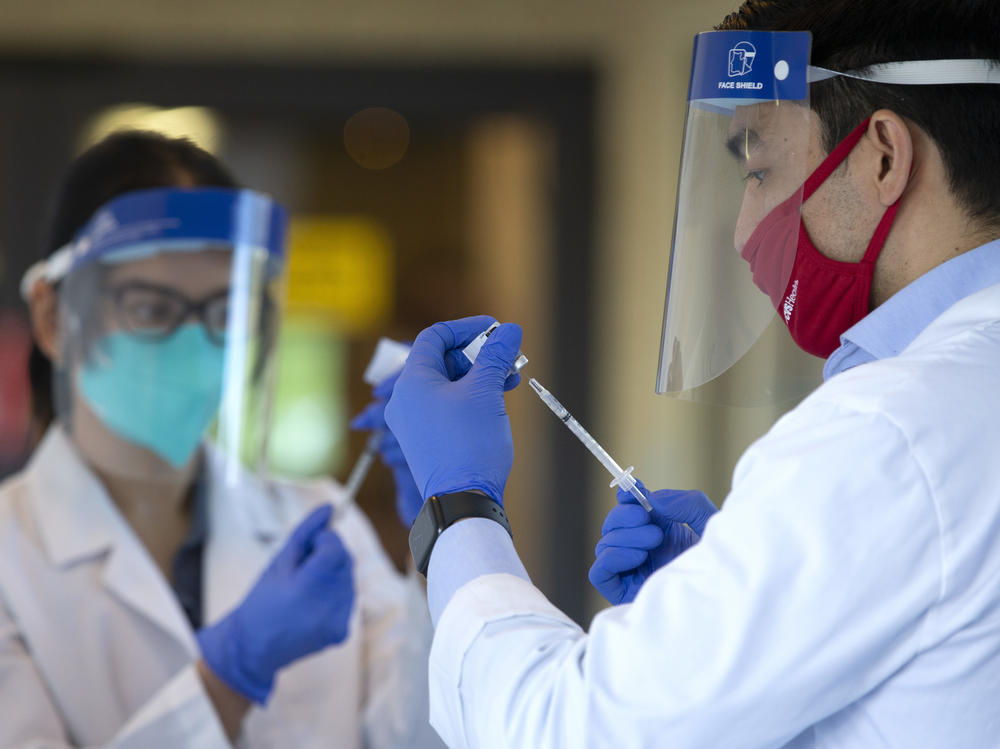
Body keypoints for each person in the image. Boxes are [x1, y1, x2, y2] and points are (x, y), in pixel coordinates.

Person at [379, 1, 1000, 746]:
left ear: (883, 157)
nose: (743, 234)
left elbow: (555, 729)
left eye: (761, 168)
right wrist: (735, 589)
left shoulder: (891, 431)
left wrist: (457, 510)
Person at [2, 131, 441, 748]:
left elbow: (423, 738)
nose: (197, 348)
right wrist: (229, 678)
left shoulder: (319, 521)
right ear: (54, 317)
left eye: (224, 313)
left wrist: (443, 540)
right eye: (152, 309)